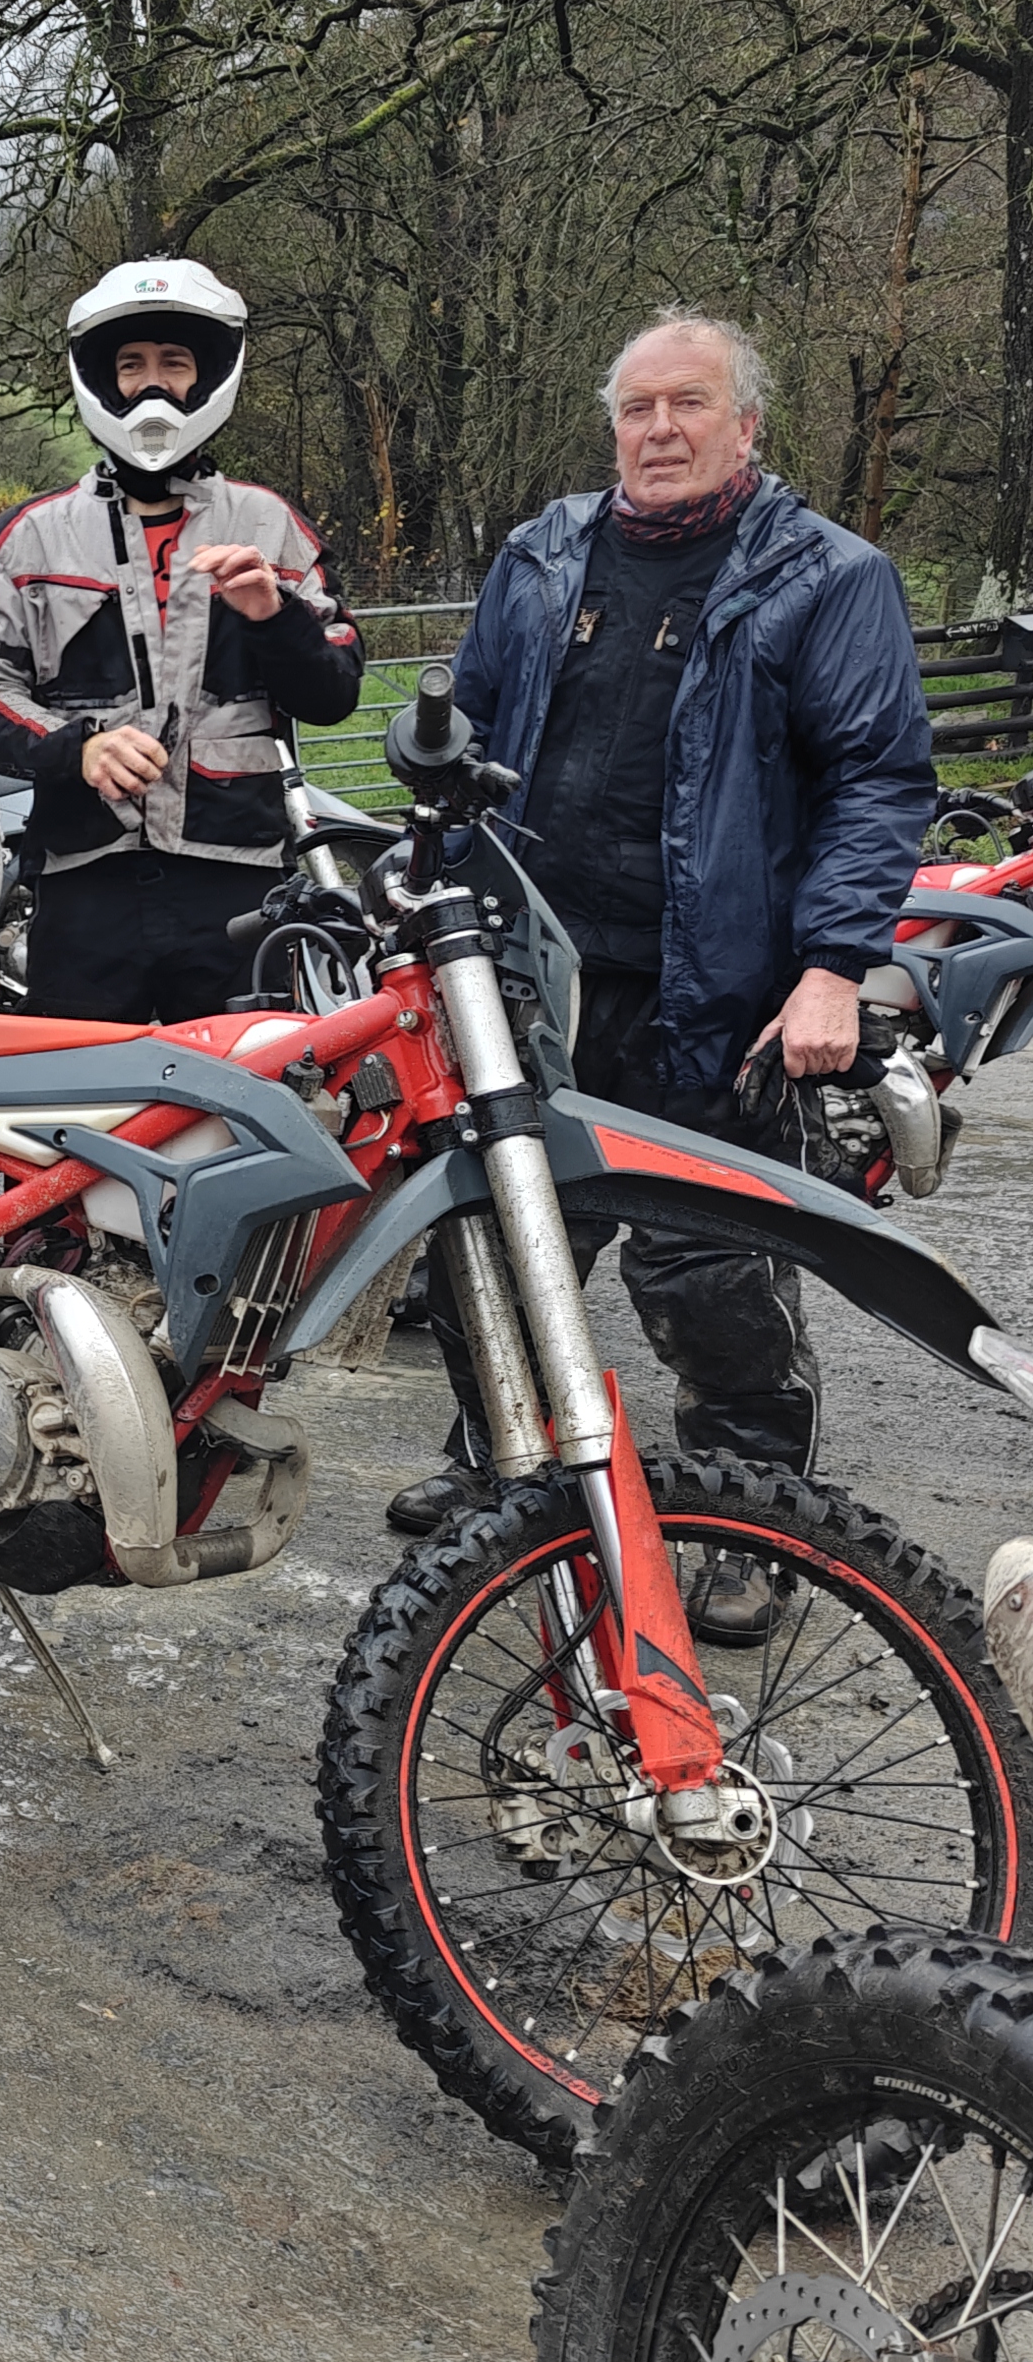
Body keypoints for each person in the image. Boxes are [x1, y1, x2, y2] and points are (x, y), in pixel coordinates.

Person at [391, 314, 937, 1619]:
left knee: (709, 1276)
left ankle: (752, 1522)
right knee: (493, 1248)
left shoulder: (825, 576)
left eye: (688, 403)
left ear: (745, 425)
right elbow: (470, 734)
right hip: (529, 981)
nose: (659, 429)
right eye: (636, 408)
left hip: (716, 995)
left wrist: (832, 965)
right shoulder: (541, 556)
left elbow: (877, 780)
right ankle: (504, 1467)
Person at [0, 256, 362, 1022]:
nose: (152, 385)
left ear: (206, 377)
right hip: (84, 882)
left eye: (173, 363)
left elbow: (334, 693)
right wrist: (76, 749)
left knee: (244, 1088)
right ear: (102, 381)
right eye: (131, 364)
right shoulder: (27, 539)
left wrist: (272, 616)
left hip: (237, 882)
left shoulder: (271, 526)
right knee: (79, 1089)